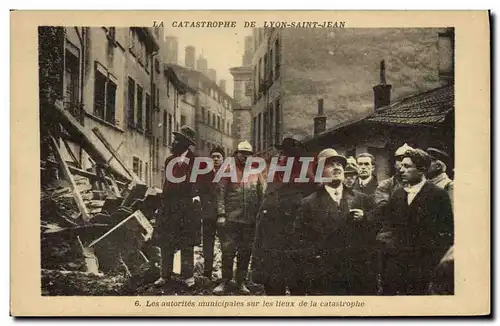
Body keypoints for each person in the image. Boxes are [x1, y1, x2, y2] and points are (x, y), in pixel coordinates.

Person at [293, 148, 376, 295]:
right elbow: (300, 240)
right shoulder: (308, 203)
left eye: (339, 164)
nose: (337, 168)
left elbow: (375, 229)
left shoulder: (361, 198)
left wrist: (365, 218)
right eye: (330, 165)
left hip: (358, 276)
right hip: (325, 277)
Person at [376, 148, 454, 295]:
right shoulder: (398, 194)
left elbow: (446, 233)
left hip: (423, 269)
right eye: (401, 165)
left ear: (421, 170)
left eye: (407, 166)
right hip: (397, 269)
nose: (401, 170)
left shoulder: (438, 195)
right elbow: (389, 227)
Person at [251, 135, 316, 295]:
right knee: (274, 291)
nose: (279, 158)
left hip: (294, 252)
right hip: (271, 251)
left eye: (284, 155)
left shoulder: (305, 187)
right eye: (280, 155)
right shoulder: (274, 183)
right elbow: (262, 221)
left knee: (297, 292)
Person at [213, 141, 266, 295]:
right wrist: (221, 214)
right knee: (228, 251)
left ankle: (241, 282)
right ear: (236, 154)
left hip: (249, 220)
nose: (245, 157)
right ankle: (225, 281)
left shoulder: (256, 173)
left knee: (245, 251)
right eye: (242, 153)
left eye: (248, 154)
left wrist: (260, 216)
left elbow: (261, 195)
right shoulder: (228, 170)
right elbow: (220, 193)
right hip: (231, 219)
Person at [153, 125, 202, 288]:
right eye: (175, 139)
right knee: (166, 242)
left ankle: (188, 277)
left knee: (187, 242)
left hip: (187, 208)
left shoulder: (195, 161)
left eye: (178, 140)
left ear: (186, 144)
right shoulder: (169, 160)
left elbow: (196, 186)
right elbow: (166, 184)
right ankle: (164, 275)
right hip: (169, 207)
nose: (173, 142)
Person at [197, 146, 225, 280]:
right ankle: (207, 274)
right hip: (208, 214)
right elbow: (200, 192)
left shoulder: (228, 174)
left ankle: (225, 276)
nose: (215, 159)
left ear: (223, 159)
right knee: (208, 244)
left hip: (224, 216)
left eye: (218, 157)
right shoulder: (204, 175)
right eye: (213, 157)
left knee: (226, 245)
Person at [374, 143, 414, 207]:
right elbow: (383, 209)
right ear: (395, 164)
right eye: (400, 159)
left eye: (409, 160)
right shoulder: (386, 185)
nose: (404, 162)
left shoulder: (422, 184)